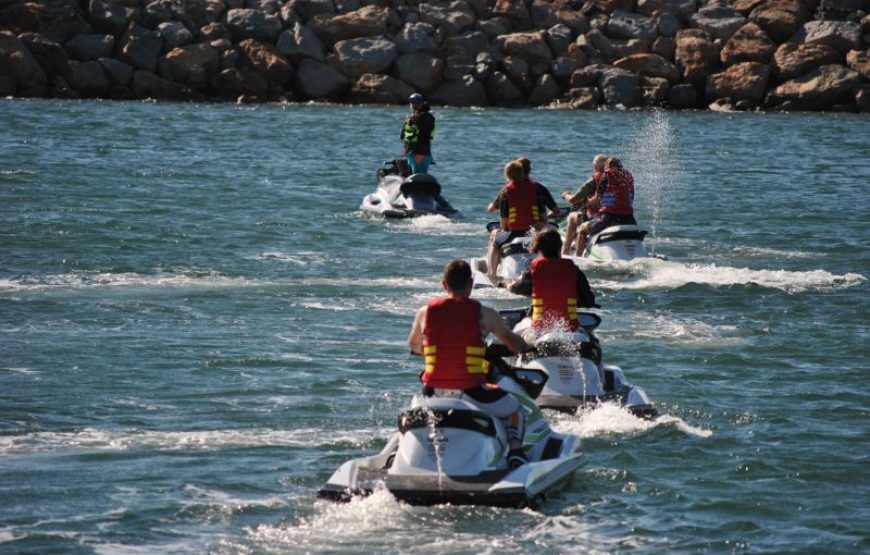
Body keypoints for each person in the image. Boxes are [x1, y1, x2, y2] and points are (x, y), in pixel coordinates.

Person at [407, 260, 533, 468]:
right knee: (515, 410)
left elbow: (414, 346)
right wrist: (526, 346)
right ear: (471, 283)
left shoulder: (424, 312)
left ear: (444, 284)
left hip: (431, 392)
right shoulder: (485, 314)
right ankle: (516, 453)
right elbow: (513, 343)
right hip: (472, 390)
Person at [503, 229, 597, 340]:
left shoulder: (536, 268)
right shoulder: (573, 269)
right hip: (569, 329)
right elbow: (588, 301)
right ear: (560, 247)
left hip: (539, 330)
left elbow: (518, 288)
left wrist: (507, 285)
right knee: (592, 338)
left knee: (516, 335)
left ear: (539, 248)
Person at [486, 160, 547, 281]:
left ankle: (491, 273)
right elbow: (544, 216)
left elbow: (504, 225)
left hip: (514, 232)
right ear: (522, 173)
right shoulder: (536, 189)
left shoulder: (507, 192)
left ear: (507, 175)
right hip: (533, 232)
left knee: (494, 239)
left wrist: (501, 230)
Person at [576, 157, 637, 255]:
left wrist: (587, 203)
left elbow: (597, 199)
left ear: (607, 166)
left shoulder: (606, 175)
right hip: (629, 219)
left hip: (608, 218)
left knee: (582, 229)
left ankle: (577, 259)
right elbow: (631, 198)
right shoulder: (628, 177)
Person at [487, 157, 559, 221]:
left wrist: (491, 204)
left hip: (515, 227)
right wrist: (548, 216)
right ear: (529, 170)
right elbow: (556, 211)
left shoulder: (507, 189)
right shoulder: (538, 187)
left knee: (494, 230)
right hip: (538, 225)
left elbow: (491, 210)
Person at [561, 154, 607, 255]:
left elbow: (574, 200)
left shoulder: (595, 179)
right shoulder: (615, 180)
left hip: (596, 216)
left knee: (573, 217)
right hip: (612, 215)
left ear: (595, 166)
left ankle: (566, 253)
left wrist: (565, 195)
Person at [401, 93, 435, 175]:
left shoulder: (427, 117)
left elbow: (425, 134)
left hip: (420, 153)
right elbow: (402, 135)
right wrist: (410, 123)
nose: (414, 104)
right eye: (412, 102)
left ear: (423, 103)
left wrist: (417, 122)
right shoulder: (410, 118)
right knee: (409, 176)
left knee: (418, 176)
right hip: (410, 152)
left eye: (418, 102)